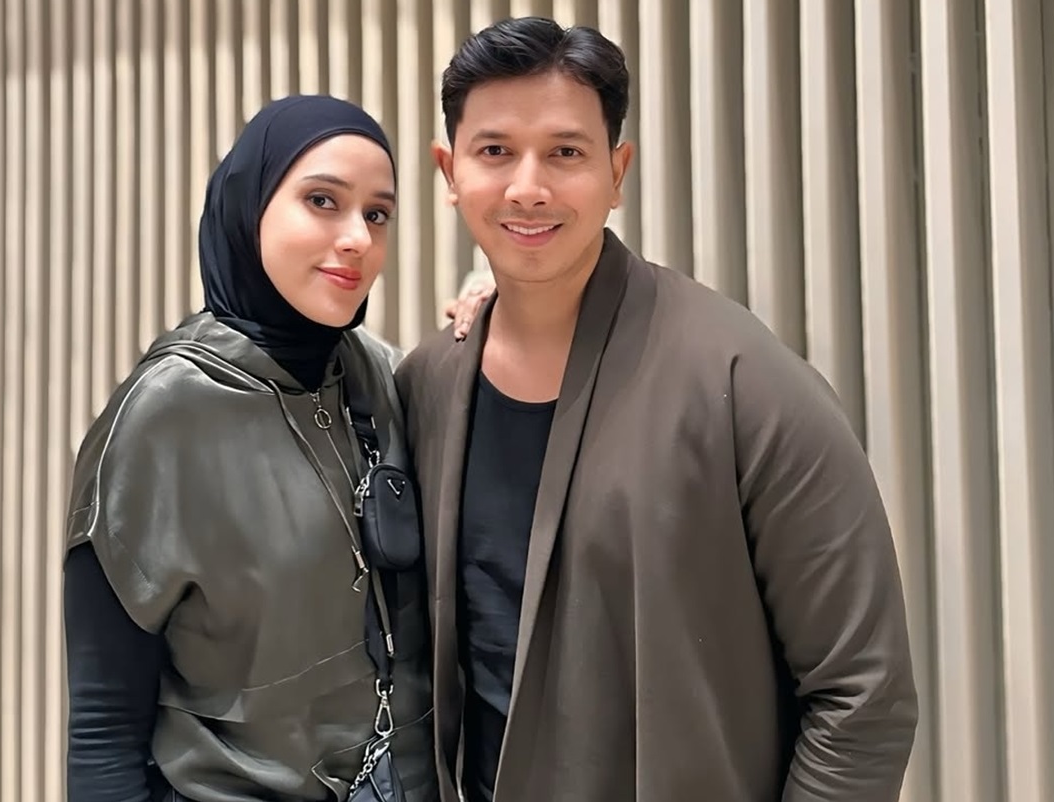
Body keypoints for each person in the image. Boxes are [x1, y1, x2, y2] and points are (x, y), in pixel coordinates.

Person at [395, 17, 919, 802]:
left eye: (566, 153)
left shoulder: (743, 381)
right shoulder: (425, 387)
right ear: (450, 170)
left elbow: (863, 696)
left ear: (618, 171)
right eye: (495, 151)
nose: (528, 187)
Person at [63, 95, 447, 802]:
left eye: (377, 214)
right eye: (323, 201)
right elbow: (103, 730)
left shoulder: (378, 376)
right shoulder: (163, 418)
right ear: (249, 208)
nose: (357, 238)